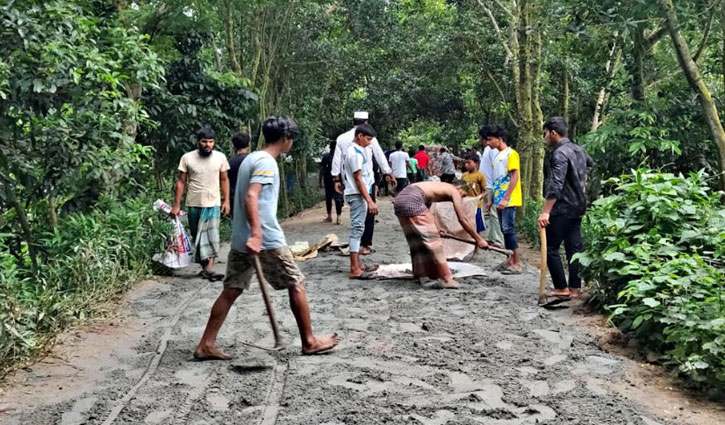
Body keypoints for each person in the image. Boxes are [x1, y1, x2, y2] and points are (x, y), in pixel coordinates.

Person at [193, 116, 340, 360]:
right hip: (264, 239)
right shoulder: (265, 162)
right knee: (296, 283)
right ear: (285, 138)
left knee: (231, 289)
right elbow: (252, 197)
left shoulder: (252, 158)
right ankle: (310, 341)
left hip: (243, 238)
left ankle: (206, 344)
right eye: (291, 139)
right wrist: (258, 234)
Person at [537, 117, 593, 299]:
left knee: (551, 247)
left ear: (553, 133)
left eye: (545, 133)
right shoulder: (579, 150)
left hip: (563, 207)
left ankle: (561, 287)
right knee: (574, 248)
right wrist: (578, 183)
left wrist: (546, 210)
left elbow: (556, 184)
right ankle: (574, 288)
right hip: (579, 205)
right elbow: (590, 165)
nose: (545, 137)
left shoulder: (559, 154)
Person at [394, 181, 488, 289]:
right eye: (463, 195)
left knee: (416, 241)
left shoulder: (436, 187)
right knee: (435, 244)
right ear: (460, 188)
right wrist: (478, 239)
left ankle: (422, 274)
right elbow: (463, 219)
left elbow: (426, 212)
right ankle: (446, 278)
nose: (461, 199)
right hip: (413, 200)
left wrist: (437, 229)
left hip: (400, 200)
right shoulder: (454, 190)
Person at [171, 127, 230, 281]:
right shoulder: (187, 158)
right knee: (197, 235)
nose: (207, 145)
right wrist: (176, 205)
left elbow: (224, 179)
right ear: (198, 142)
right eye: (204, 141)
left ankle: (210, 267)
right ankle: (205, 268)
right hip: (194, 203)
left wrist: (227, 201)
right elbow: (181, 182)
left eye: (211, 142)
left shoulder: (220, 157)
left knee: (212, 236)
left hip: (213, 203)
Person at [332, 111, 395, 255]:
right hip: (365, 181)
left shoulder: (342, 138)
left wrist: (336, 179)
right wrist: (388, 173)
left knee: (356, 215)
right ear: (366, 123)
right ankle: (364, 245)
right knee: (369, 212)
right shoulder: (366, 139)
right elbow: (379, 155)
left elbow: (336, 161)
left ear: (352, 122)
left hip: (349, 181)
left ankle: (356, 244)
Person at [482, 125, 523, 274]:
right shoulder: (497, 156)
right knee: (504, 230)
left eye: (490, 139)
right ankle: (509, 259)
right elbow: (496, 180)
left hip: (509, 199)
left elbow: (515, 176)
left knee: (508, 229)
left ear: (499, 139)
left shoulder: (511, 154)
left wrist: (506, 198)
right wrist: (492, 200)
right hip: (499, 199)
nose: (488, 143)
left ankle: (517, 262)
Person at [343, 124, 378, 279]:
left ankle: (357, 263)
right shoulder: (354, 153)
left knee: (359, 228)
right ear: (360, 136)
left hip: (358, 193)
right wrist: (370, 200)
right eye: (368, 139)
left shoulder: (357, 151)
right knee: (357, 229)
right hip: (356, 194)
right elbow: (358, 179)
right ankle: (354, 268)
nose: (369, 143)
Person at [478, 127, 505, 247]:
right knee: (486, 213)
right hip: (485, 186)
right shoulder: (486, 150)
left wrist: (495, 188)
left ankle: (498, 240)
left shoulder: (493, 150)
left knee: (493, 213)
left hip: (491, 186)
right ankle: (489, 237)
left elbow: (497, 169)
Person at [461, 152, 487, 234]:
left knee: (477, 226)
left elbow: (485, 191)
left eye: (469, 163)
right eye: (465, 163)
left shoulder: (480, 176)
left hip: (476, 205)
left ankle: (477, 244)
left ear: (476, 164)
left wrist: (479, 198)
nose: (466, 165)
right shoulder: (464, 175)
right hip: (466, 204)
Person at [319, 140, 343, 224]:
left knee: (328, 198)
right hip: (338, 179)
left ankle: (329, 216)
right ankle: (339, 217)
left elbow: (321, 170)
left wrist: (320, 181)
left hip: (327, 179)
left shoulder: (326, 156)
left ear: (330, 147)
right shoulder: (340, 157)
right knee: (338, 197)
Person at [228, 131, 250, 218]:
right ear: (248, 145)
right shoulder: (252, 160)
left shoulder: (229, 162)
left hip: (234, 200)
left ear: (234, 146)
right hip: (250, 199)